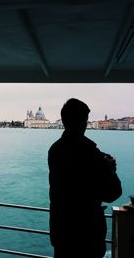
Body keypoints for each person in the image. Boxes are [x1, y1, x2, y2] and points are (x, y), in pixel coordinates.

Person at [48, 98, 122, 258]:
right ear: (83, 122)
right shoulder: (91, 154)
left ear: (64, 120)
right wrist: (110, 170)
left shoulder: (54, 150)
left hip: (61, 230)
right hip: (87, 233)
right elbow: (113, 194)